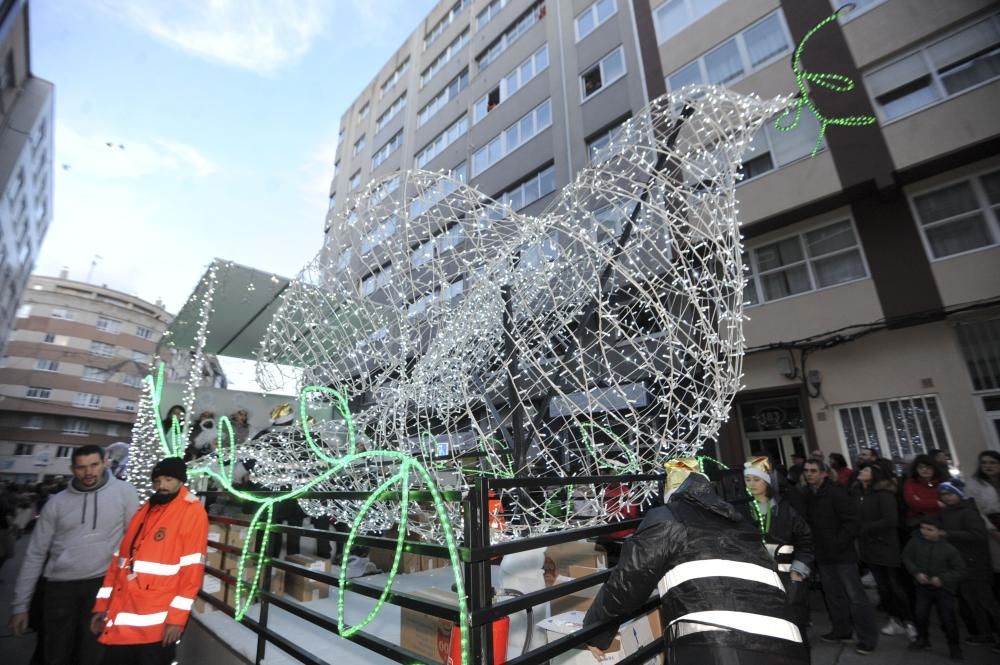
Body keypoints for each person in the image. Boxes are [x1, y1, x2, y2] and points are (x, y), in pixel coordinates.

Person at [582, 458, 808, 665]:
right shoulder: (740, 523)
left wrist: (595, 632)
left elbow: (628, 581)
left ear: (670, 491)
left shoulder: (668, 518)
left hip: (719, 646)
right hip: (787, 644)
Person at [9, 445, 139, 665]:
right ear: (72, 469)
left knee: (93, 655)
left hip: (101, 587)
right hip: (59, 589)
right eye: (81, 467)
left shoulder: (124, 493)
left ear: (105, 463)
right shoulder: (56, 503)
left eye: (94, 465)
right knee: (55, 654)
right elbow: (35, 554)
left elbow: (134, 543)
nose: (88, 472)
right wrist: (20, 606)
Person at [91, 457, 208, 665]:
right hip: (122, 617)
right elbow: (120, 561)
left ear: (181, 481)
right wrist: (102, 606)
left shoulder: (192, 511)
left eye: (168, 479)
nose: (161, 485)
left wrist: (177, 619)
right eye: (157, 480)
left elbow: (192, 572)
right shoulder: (146, 509)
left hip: (157, 625)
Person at [800, 458, 879, 654]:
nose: (809, 474)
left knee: (856, 597)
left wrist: (838, 542)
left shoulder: (836, 492)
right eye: (806, 471)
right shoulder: (809, 495)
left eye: (813, 470)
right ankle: (842, 630)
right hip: (823, 554)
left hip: (842, 555)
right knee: (834, 596)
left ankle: (867, 637)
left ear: (823, 473)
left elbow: (851, 522)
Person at [742, 457, 814, 640]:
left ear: (768, 481)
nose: (752, 484)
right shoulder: (741, 512)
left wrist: (798, 571)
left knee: (796, 632)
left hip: (788, 582)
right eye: (747, 480)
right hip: (756, 585)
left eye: (756, 479)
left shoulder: (785, 510)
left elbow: (805, 540)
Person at [850, 463, 915, 639]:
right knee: (883, 588)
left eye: (866, 470)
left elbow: (891, 520)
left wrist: (864, 527)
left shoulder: (883, 494)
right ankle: (894, 620)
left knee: (894, 586)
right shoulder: (858, 494)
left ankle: (910, 621)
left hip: (885, 545)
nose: (861, 472)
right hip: (869, 547)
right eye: (861, 469)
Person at [937, 481, 1000, 653]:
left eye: (950, 494)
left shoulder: (969, 512)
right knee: (972, 601)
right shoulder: (946, 512)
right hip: (958, 562)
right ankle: (984, 633)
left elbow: (978, 535)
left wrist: (949, 535)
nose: (947, 497)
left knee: (987, 601)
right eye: (943, 495)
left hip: (975, 562)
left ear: (959, 494)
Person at [902, 514, 966, 660]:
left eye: (930, 529)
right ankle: (923, 639)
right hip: (922, 587)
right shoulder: (914, 542)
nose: (925, 532)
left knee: (948, 618)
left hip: (944, 589)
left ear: (940, 531)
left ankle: (954, 647)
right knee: (920, 614)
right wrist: (916, 573)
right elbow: (907, 557)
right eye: (923, 528)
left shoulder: (949, 549)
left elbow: (960, 570)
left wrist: (942, 579)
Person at [964, 450, 1000, 594]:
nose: (987, 466)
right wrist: (992, 530)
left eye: (992, 462)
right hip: (990, 526)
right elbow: (974, 509)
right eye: (984, 463)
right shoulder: (974, 483)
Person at [903, 454, 947, 529]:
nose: (924, 470)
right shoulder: (910, 483)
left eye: (928, 467)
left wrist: (921, 501)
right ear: (916, 469)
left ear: (934, 468)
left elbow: (947, 503)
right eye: (920, 467)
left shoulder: (942, 482)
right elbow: (913, 503)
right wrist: (936, 503)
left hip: (943, 520)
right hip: (919, 522)